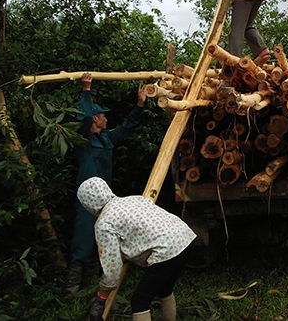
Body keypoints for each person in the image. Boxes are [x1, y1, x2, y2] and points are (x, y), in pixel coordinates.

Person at [66, 72, 147, 296]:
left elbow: (127, 127)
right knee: (83, 239)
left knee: (100, 240)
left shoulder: (106, 138)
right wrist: (86, 90)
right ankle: (72, 289)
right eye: (103, 116)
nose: (107, 119)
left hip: (105, 202)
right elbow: (82, 117)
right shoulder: (83, 140)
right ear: (95, 120)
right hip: (86, 201)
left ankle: (92, 283)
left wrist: (139, 105)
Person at [77, 177, 196, 321]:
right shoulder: (133, 199)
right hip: (186, 237)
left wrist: (101, 297)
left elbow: (112, 267)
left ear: (87, 204)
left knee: (139, 301)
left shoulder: (104, 224)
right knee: (164, 289)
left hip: (166, 251)